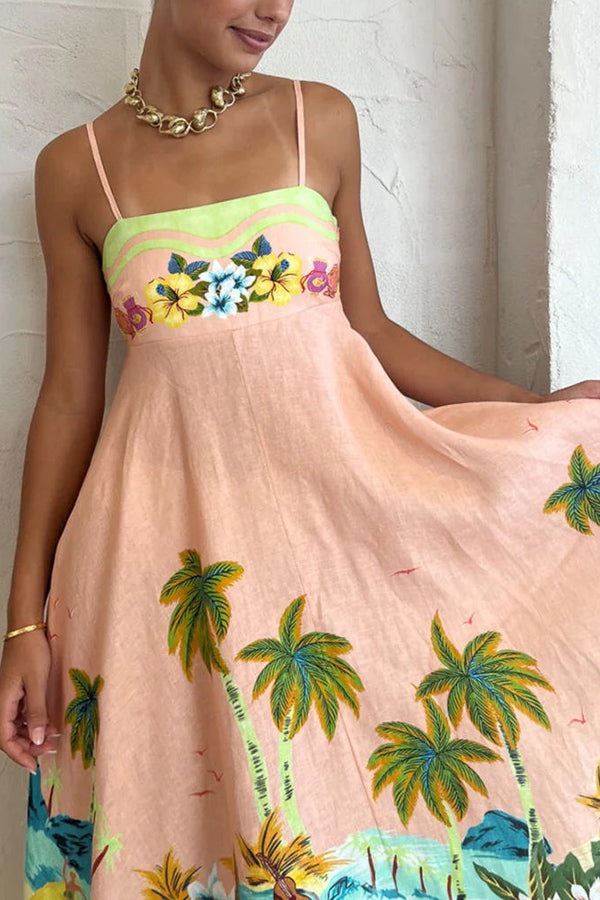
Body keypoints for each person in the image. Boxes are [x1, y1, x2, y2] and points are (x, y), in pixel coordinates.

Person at [2, 2, 600, 899]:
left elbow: (371, 332)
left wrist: (533, 409)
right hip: (166, 568)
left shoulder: (314, 119)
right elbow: (67, 401)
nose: (275, 8)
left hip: (331, 539)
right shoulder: (74, 167)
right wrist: (23, 622)